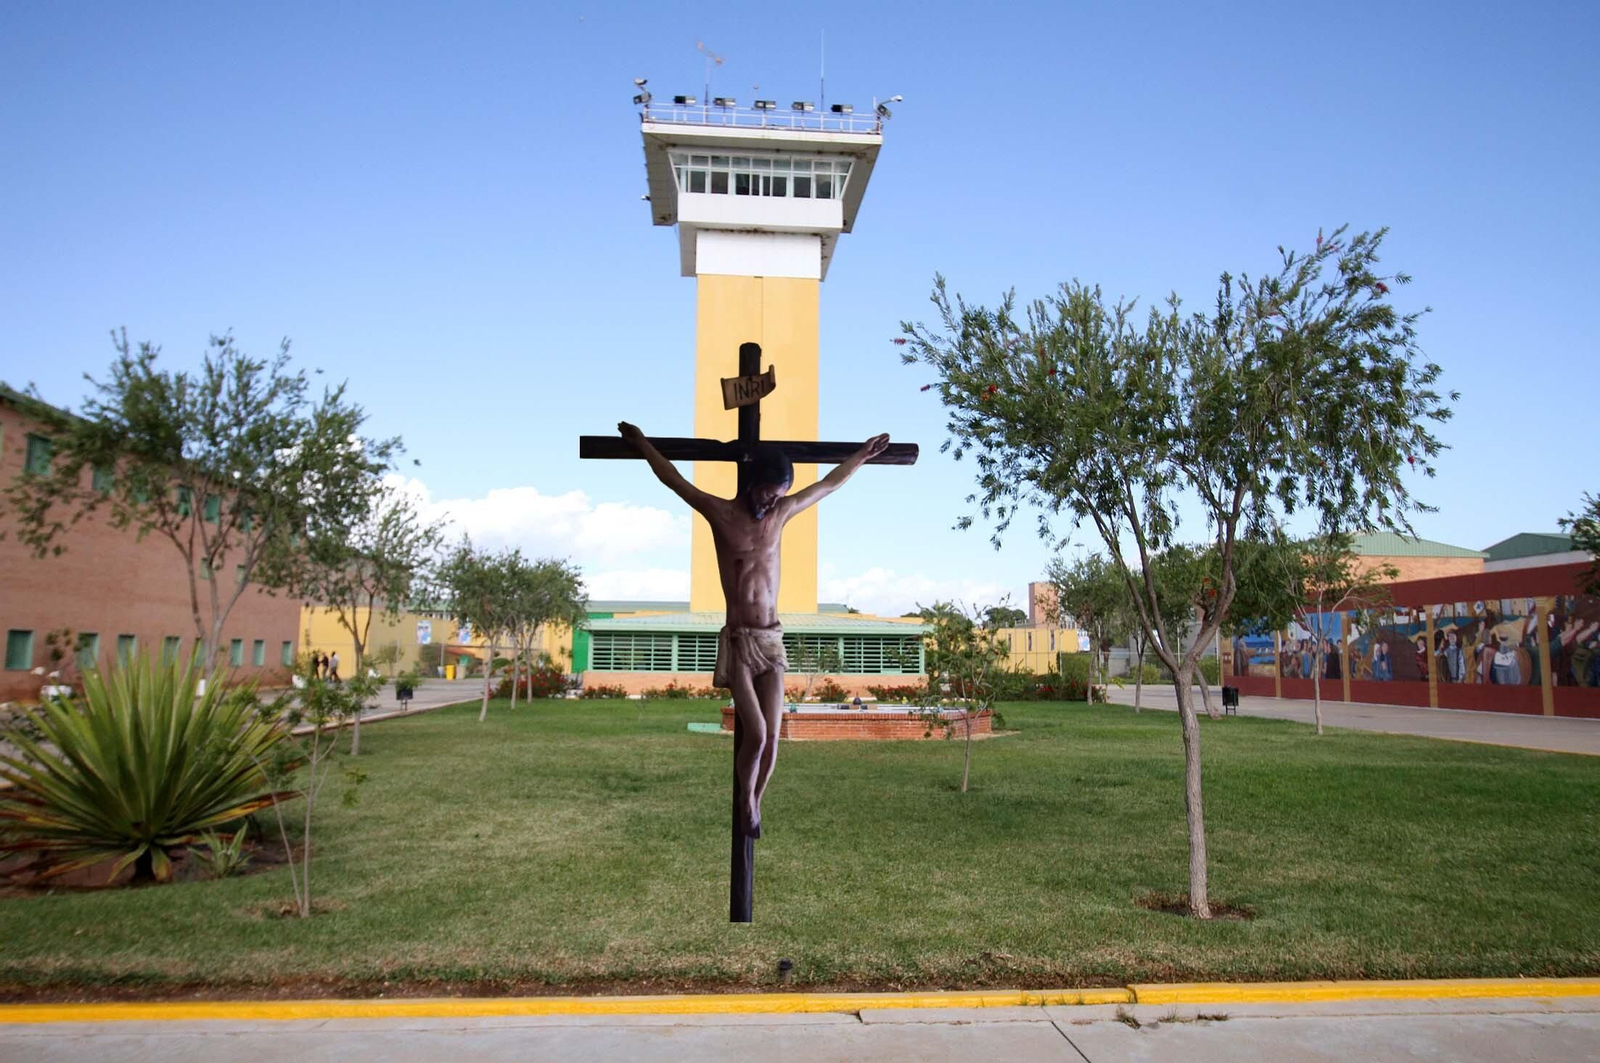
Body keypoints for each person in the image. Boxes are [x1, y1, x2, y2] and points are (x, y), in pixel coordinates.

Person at [619, 421, 888, 839]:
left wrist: (861, 456)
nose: (772, 500)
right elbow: (674, 479)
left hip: (772, 638)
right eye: (768, 492)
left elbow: (827, 485)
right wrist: (641, 444)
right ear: (753, 483)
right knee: (757, 734)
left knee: (774, 737)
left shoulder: (780, 514)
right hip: (741, 640)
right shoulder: (720, 513)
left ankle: (755, 804)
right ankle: (744, 799)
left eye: (779, 495)